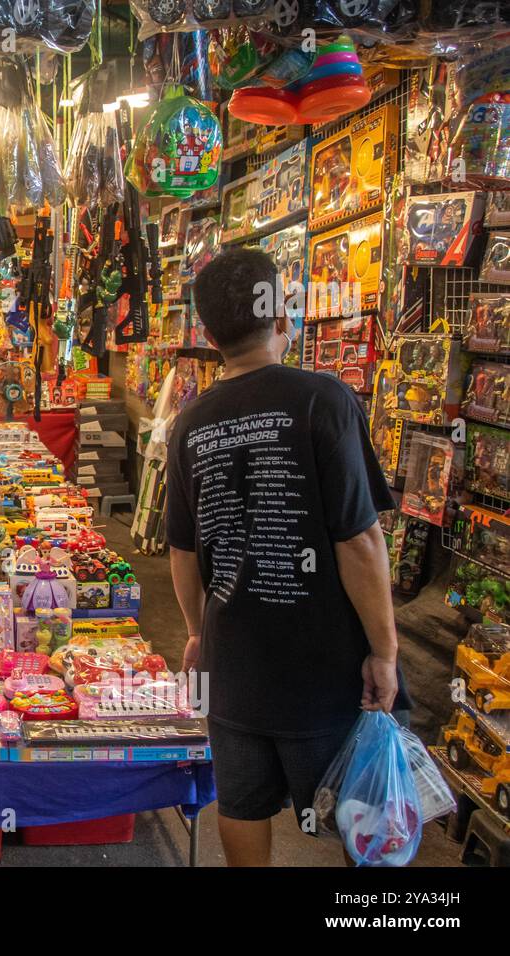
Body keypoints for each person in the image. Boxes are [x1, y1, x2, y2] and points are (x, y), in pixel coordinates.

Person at [165, 247, 410, 867]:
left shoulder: (190, 423)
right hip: (324, 674)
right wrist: (384, 651)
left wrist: (198, 633)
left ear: (209, 333)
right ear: (279, 318)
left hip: (235, 668)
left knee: (241, 803)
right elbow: (359, 540)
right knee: (361, 815)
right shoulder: (323, 400)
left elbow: (184, 551)